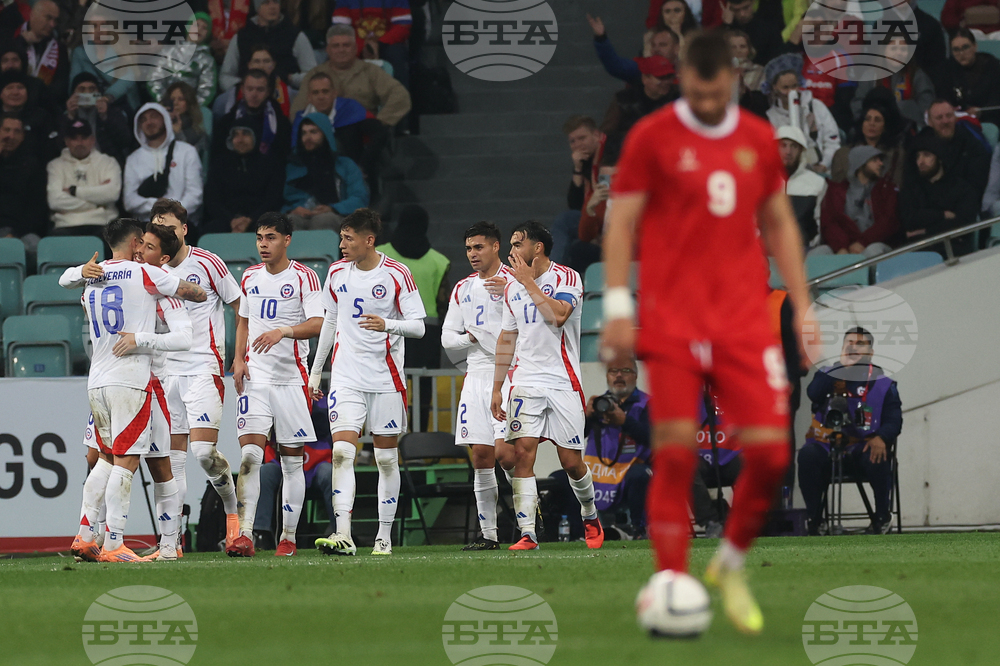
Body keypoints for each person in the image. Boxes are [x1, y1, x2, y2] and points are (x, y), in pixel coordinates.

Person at [600, 31, 811, 634]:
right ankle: (670, 580)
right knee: (673, 454)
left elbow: (778, 222)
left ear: (734, 81)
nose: (707, 100)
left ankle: (730, 561)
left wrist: (803, 302)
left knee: (770, 453)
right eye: (697, 88)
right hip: (674, 321)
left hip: (743, 321)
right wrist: (618, 303)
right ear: (684, 76)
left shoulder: (754, 137)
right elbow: (621, 224)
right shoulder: (652, 136)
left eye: (718, 91)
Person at [60, 218, 206, 562]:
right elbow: (196, 297)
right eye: (145, 244)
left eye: (154, 248)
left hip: (106, 380)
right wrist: (143, 338)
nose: (146, 251)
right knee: (124, 461)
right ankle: (113, 542)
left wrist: (82, 270)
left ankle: (154, 544)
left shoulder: (93, 278)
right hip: (134, 383)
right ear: (137, 243)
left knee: (125, 462)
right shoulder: (149, 279)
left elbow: (66, 279)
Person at [309, 208, 427, 557]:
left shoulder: (396, 274)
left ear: (368, 240)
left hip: (385, 378)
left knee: (386, 460)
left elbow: (419, 326)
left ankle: (384, 538)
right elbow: (330, 321)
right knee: (343, 453)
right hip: (346, 377)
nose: (341, 244)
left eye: (348, 238)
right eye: (341, 237)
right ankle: (343, 533)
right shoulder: (335, 273)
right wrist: (317, 371)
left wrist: (388, 325)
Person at [490, 221, 605, 552]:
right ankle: (528, 533)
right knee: (522, 451)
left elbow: (559, 316)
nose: (511, 251)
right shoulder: (512, 288)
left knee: (570, 461)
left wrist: (528, 283)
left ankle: (589, 514)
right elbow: (507, 336)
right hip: (526, 381)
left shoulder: (566, 278)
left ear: (537, 248)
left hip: (562, 381)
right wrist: (498, 387)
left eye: (516, 244)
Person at [149, 198, 244, 555]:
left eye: (170, 229)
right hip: (165, 372)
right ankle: (170, 543)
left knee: (204, 453)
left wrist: (238, 354)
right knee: (171, 462)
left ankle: (232, 513)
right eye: (157, 229)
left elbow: (240, 304)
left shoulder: (206, 262)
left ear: (184, 230)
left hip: (203, 367)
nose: (164, 235)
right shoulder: (150, 268)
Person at [229, 212, 324, 558]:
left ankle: (288, 537)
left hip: (291, 380)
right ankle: (246, 534)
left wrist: (283, 331)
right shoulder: (250, 276)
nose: (263, 244)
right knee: (251, 455)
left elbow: (318, 324)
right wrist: (238, 359)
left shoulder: (304, 278)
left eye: (270, 237)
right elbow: (243, 322)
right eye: (259, 238)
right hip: (256, 377)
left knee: (291, 461)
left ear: (287, 240)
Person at [441, 221, 516, 550]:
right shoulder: (462, 288)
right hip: (476, 374)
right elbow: (446, 337)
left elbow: (522, 332)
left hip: (511, 374)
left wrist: (476, 338)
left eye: (479, 247)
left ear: (496, 246)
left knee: (507, 455)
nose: (472, 254)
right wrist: (469, 337)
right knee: (482, 457)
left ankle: (527, 516)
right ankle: (490, 536)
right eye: (469, 248)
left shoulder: (515, 283)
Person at [798, 328, 902, 535]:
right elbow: (813, 393)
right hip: (826, 446)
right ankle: (815, 519)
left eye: (860, 344)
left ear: (871, 353)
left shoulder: (883, 384)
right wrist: (841, 368)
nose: (854, 347)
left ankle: (882, 517)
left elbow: (894, 420)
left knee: (878, 453)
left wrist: (882, 437)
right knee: (807, 455)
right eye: (850, 342)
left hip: (862, 447)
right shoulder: (827, 373)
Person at [550, 358, 651, 540]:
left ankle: (640, 531)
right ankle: (578, 533)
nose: (619, 375)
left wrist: (625, 422)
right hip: (599, 470)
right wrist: (586, 417)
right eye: (613, 371)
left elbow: (654, 439)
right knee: (559, 478)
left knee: (640, 475)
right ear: (607, 376)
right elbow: (575, 440)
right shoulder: (599, 404)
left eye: (625, 370)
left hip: (632, 468)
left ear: (635, 376)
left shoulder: (647, 404)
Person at [291, 25, 411, 130]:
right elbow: (297, 110)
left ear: (355, 48)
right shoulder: (315, 74)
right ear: (327, 50)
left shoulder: (370, 71)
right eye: (336, 46)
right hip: (325, 134)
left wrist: (379, 123)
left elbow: (400, 96)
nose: (341, 50)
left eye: (346, 45)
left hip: (363, 133)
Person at [291, 71, 386, 200]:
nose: (321, 97)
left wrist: (363, 165)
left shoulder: (350, 109)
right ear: (309, 97)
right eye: (316, 92)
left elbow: (380, 133)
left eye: (325, 91)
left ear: (334, 93)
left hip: (354, 178)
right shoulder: (301, 121)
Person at [254, 405, 333, 548]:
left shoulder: (315, 392)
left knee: (330, 473)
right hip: (281, 458)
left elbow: (324, 420)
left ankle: (339, 529)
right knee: (265, 472)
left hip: (316, 458)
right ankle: (260, 533)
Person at [899, 133, 981, 257]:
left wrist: (925, 231)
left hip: (954, 249)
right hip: (918, 251)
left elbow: (963, 223)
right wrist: (941, 215)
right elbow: (909, 220)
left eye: (927, 155)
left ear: (940, 158)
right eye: (918, 156)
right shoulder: (911, 188)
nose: (921, 161)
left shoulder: (961, 188)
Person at [283, 113, 369, 230]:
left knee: (323, 220)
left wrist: (333, 208)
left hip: (339, 215)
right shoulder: (293, 167)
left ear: (326, 134)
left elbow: (360, 197)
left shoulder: (345, 165)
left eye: (313, 132)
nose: (307, 137)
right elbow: (281, 200)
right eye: (303, 133)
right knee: (288, 221)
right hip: (302, 214)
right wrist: (292, 209)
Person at [813, 146, 900, 257]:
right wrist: (841, 247)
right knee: (818, 254)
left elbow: (888, 221)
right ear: (860, 163)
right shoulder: (836, 191)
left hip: (875, 244)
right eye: (874, 160)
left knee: (873, 251)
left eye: (880, 160)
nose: (880, 164)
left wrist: (863, 242)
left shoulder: (887, 190)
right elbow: (830, 223)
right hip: (843, 246)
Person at [123, 103, 203, 221]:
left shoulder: (187, 151)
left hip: (181, 222)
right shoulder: (133, 159)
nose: (149, 122)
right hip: (146, 225)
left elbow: (195, 194)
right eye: (144, 120)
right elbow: (129, 200)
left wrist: (174, 212)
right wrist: (157, 206)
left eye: (154, 117)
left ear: (165, 119)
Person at [203, 123, 285, 233]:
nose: (240, 139)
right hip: (226, 219)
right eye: (236, 135)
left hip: (260, 218)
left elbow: (273, 199)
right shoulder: (220, 165)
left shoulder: (270, 164)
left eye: (245, 134)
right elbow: (212, 199)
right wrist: (231, 220)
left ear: (256, 137)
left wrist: (250, 219)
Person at [764, 54, 841, 172]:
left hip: (819, 170)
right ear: (774, 87)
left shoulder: (816, 107)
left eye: (794, 86)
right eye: (785, 87)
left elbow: (833, 141)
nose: (791, 92)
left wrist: (824, 164)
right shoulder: (771, 116)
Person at [218, 0, 316, 92]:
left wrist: (290, 78)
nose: (272, 7)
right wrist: (245, 86)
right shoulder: (241, 37)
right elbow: (225, 76)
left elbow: (313, 75)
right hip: (246, 95)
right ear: (257, 7)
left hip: (286, 93)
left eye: (275, 2)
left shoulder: (295, 35)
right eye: (266, 3)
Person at [46, 118, 120, 238]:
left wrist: (74, 191)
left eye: (84, 138)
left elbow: (112, 194)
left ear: (92, 140)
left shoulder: (108, 162)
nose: (79, 143)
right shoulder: (55, 165)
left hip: (102, 224)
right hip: (65, 225)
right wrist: (98, 203)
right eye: (74, 139)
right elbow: (54, 201)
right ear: (66, 141)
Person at [911, 99, 992, 203]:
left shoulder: (971, 143)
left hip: (963, 202)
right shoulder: (920, 146)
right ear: (930, 122)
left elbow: (976, 185)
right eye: (939, 118)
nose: (945, 121)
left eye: (949, 116)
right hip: (930, 205)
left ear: (955, 118)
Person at [551, 115, 604, 265]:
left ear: (596, 135)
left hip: (609, 213)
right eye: (572, 141)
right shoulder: (586, 160)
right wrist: (578, 169)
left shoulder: (608, 154)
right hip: (593, 215)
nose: (577, 145)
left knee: (565, 221)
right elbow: (575, 206)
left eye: (582, 138)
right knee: (574, 244)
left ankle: (553, 274)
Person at [851, 38, 936, 129]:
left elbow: (927, 110)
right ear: (883, 51)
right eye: (893, 49)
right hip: (876, 130)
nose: (898, 53)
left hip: (910, 130)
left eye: (903, 49)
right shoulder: (870, 75)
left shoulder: (918, 76)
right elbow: (858, 104)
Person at [213, 69, 292, 163]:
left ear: (268, 91)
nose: (254, 94)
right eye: (250, 89)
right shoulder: (227, 122)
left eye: (260, 90)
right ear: (242, 90)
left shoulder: (281, 123)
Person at [331, 0, 412, 88]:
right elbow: (340, 30)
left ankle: (399, 99)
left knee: (396, 54)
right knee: (338, 54)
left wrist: (379, 44)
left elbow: (402, 27)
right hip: (355, 45)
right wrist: (363, 47)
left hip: (387, 44)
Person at [831, 92, 907, 186]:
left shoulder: (896, 155)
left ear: (885, 126)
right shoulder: (843, 154)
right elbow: (835, 190)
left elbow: (896, 187)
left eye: (877, 120)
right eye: (867, 119)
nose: (872, 124)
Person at [692, 393, 740, 538]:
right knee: (685, 467)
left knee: (756, 465)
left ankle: (745, 523)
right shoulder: (686, 391)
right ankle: (711, 521)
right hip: (699, 458)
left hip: (732, 454)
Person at [600, 56, 678, 144]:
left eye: (669, 76)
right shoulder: (624, 99)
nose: (667, 81)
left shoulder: (678, 100)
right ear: (645, 78)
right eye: (661, 77)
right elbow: (605, 135)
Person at [147, 13, 218, 109]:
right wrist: (165, 102)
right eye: (196, 25)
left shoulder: (208, 61)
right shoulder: (168, 52)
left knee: (206, 115)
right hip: (164, 105)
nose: (199, 29)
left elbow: (207, 90)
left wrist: (190, 107)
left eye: (204, 28)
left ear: (207, 34)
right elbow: (154, 79)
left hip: (193, 109)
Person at [932, 29, 1000, 127]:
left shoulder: (993, 66)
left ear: (975, 47)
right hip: (956, 121)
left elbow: (997, 100)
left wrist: (980, 112)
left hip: (990, 120)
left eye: (965, 47)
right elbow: (943, 97)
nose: (961, 53)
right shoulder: (946, 69)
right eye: (956, 49)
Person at [65, 72, 133, 167]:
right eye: (82, 89)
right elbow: (61, 147)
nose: (87, 93)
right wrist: (70, 118)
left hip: (107, 166)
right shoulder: (67, 116)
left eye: (92, 89)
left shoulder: (112, 111)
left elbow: (125, 141)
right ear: (73, 94)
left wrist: (105, 117)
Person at [589, 14, 679, 85]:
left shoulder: (687, 71)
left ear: (676, 48)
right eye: (653, 45)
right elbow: (616, 66)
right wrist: (601, 38)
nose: (656, 49)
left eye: (663, 45)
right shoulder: (642, 68)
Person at [0, 113, 46, 246]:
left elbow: (36, 207)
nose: (11, 136)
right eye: (7, 130)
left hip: (21, 231)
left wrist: (14, 234)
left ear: (23, 137)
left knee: (35, 247)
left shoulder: (32, 165)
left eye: (17, 131)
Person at [778, 125, 826, 249]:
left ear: (801, 151)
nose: (788, 152)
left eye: (794, 146)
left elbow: (821, 225)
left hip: (803, 251)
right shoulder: (762, 182)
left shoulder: (817, 183)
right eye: (783, 145)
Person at [13, 0, 69, 105]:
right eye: (48, 18)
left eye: (55, 20)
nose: (52, 24)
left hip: (45, 109)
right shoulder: (13, 36)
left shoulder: (60, 49)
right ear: (33, 15)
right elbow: (9, 74)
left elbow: (60, 88)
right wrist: (21, 43)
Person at [720, 0, 786, 65]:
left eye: (746, 8)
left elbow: (777, 59)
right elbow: (718, 56)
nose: (742, 14)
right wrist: (726, 26)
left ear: (753, 3)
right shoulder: (727, 29)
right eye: (736, 10)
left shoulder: (768, 28)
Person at [163, 82, 209, 167]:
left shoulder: (198, 134)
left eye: (181, 99)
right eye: (172, 100)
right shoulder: (158, 128)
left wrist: (178, 134)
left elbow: (190, 162)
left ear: (189, 103)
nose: (175, 103)